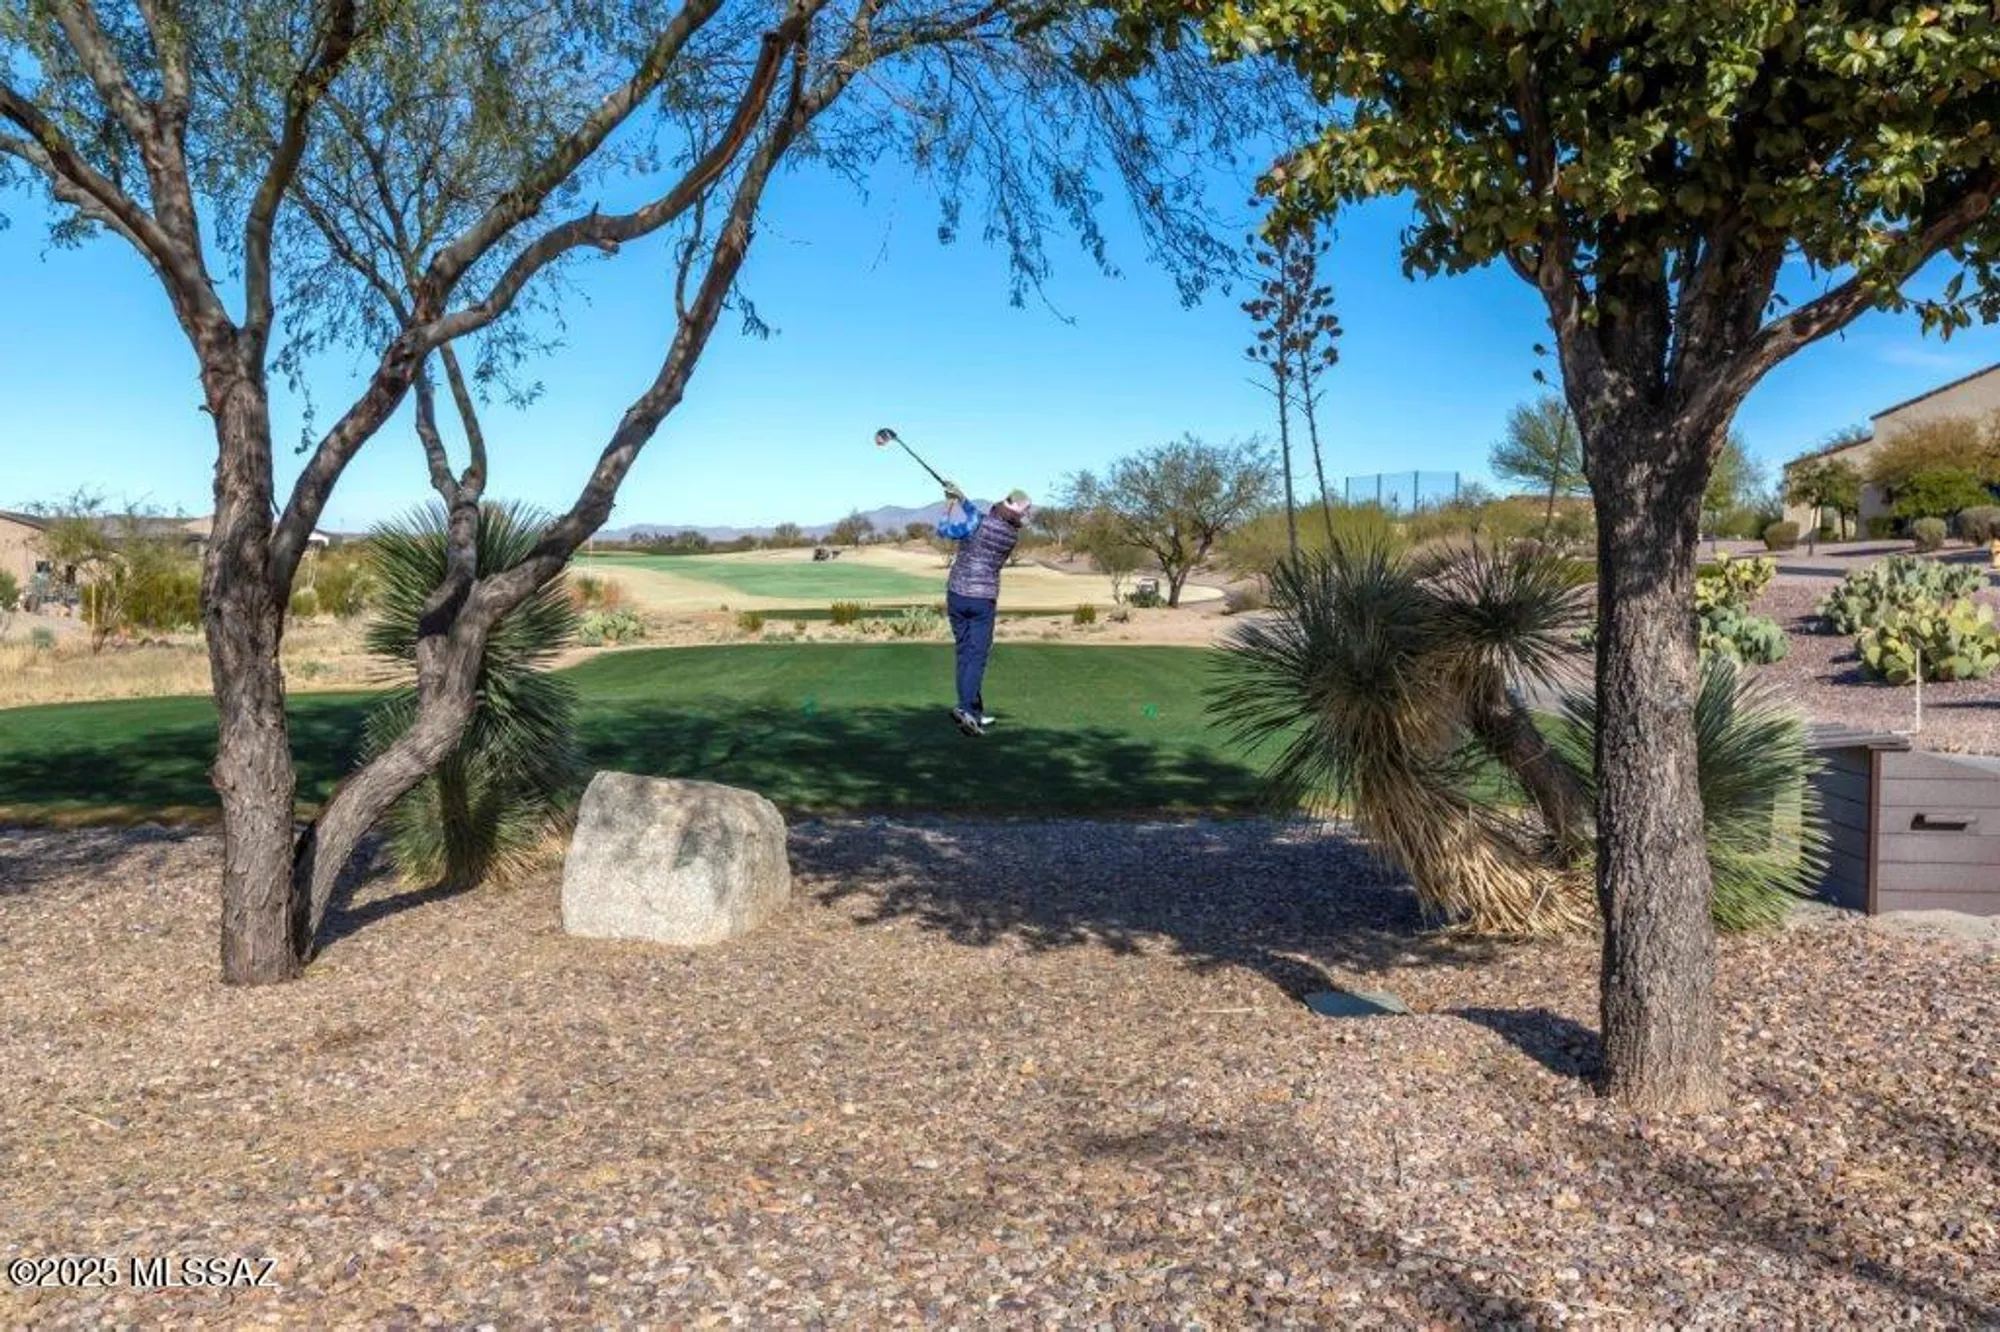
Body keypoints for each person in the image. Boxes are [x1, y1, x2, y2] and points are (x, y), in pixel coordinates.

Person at [936, 486, 1032, 736]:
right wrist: (961, 497)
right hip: (983, 600)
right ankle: (969, 711)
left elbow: (944, 530)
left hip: (956, 594)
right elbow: (978, 516)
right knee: (976, 656)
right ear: (1018, 516)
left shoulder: (977, 522)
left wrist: (949, 506)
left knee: (965, 652)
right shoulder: (1011, 535)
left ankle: (967, 709)